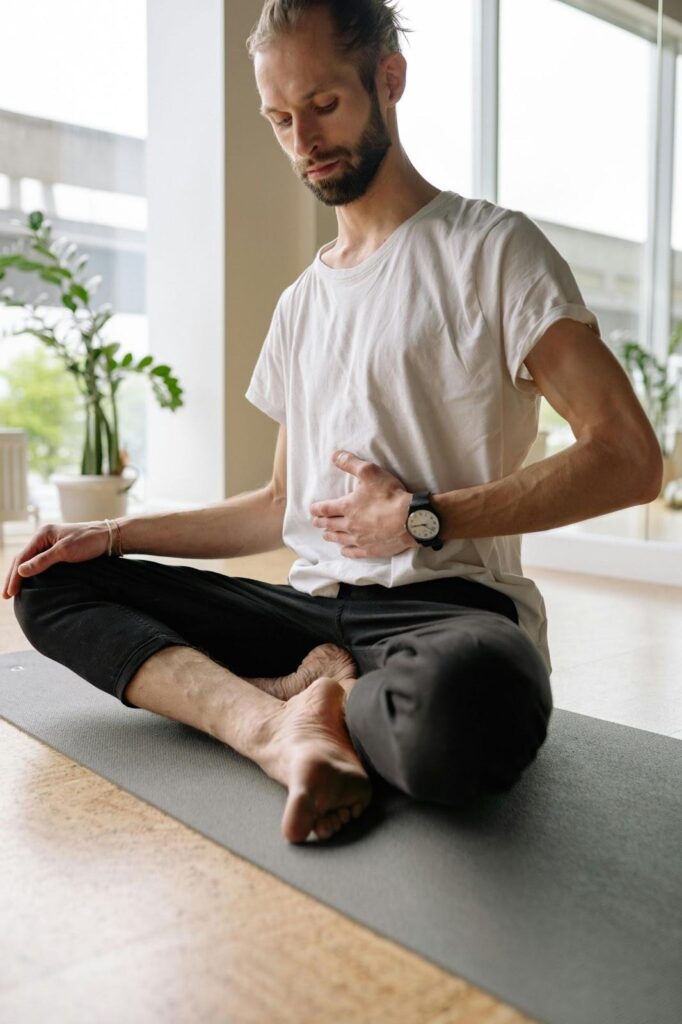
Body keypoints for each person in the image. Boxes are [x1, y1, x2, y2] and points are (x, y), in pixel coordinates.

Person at [3, 0, 661, 845]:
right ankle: (273, 723)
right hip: (305, 611)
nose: (303, 142)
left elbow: (630, 458)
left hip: (446, 612)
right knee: (51, 585)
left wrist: (427, 516)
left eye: (323, 106)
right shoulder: (301, 304)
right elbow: (278, 503)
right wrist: (116, 532)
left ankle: (321, 698)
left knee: (475, 704)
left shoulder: (493, 250)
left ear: (389, 79)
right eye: (280, 119)